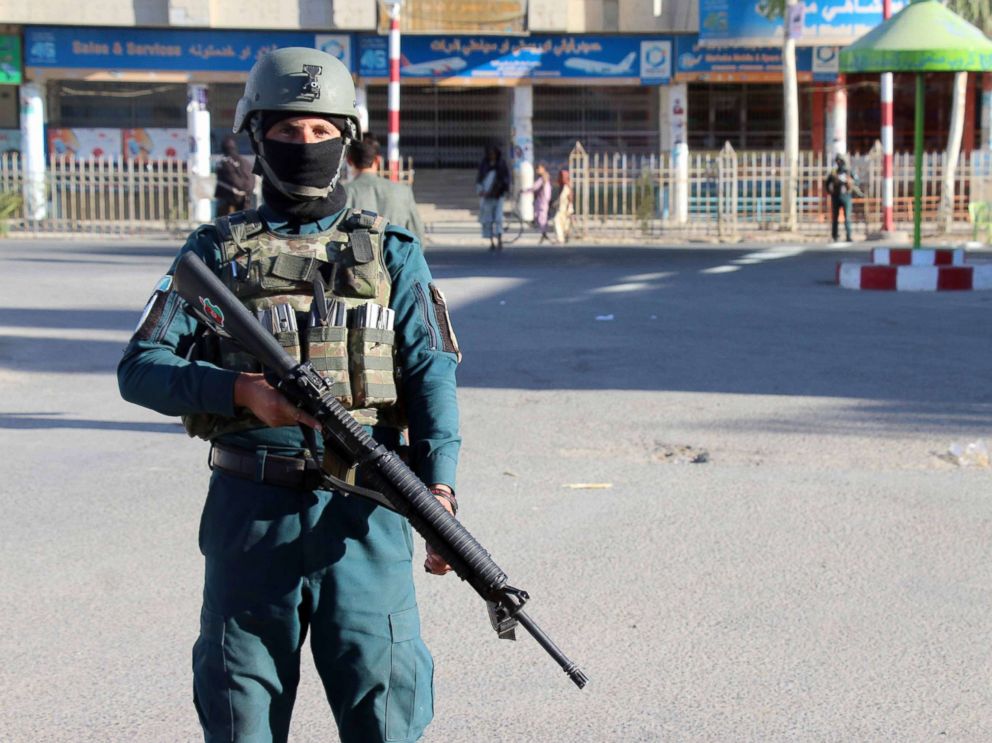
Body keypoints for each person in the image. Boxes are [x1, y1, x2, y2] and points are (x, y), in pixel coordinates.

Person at [117, 47, 462, 743]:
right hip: (253, 518)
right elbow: (140, 367)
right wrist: (240, 391)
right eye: (285, 130)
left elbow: (431, 372)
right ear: (254, 136)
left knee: (385, 716)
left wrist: (441, 493)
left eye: (320, 130)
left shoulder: (391, 250)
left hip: (366, 515)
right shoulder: (214, 252)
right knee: (241, 716)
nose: (304, 144)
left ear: (345, 136)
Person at [344, 133, 426, 243]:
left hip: (356, 258)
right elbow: (417, 236)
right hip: (395, 259)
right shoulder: (403, 191)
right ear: (378, 160)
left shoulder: (344, 192)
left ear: (349, 161)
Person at [475, 144, 511, 251]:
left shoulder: (501, 164)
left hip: (498, 196)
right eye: (490, 154)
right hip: (487, 197)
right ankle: (491, 241)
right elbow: (480, 179)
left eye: (493, 154)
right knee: (488, 219)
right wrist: (481, 191)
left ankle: (499, 239)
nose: (492, 156)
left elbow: (506, 178)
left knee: (499, 218)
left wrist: (502, 188)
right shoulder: (484, 164)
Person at [824, 153, 863, 243]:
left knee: (847, 217)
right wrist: (830, 192)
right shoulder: (834, 172)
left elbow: (857, 181)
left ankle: (848, 236)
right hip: (836, 196)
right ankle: (835, 236)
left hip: (846, 197)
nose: (839, 163)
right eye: (837, 161)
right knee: (835, 218)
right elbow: (827, 183)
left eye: (840, 161)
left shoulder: (848, 172)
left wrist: (850, 182)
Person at [213, 135, 255, 215]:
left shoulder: (224, 162)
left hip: (228, 197)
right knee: (244, 221)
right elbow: (252, 177)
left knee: (222, 224)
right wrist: (247, 190)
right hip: (246, 197)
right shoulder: (245, 161)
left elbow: (231, 178)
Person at [525, 162, 552, 243]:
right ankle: (544, 234)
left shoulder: (543, 178)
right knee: (540, 217)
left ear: (543, 169)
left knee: (542, 217)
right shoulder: (543, 178)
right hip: (541, 201)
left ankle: (544, 234)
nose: (537, 170)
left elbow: (535, 187)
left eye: (538, 168)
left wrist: (524, 191)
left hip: (543, 201)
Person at [553, 169, 574, 244]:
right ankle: (560, 238)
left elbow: (570, 197)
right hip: (561, 208)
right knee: (557, 221)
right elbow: (561, 198)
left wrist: (570, 207)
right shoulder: (562, 187)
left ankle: (563, 237)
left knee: (565, 224)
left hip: (566, 208)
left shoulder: (567, 186)